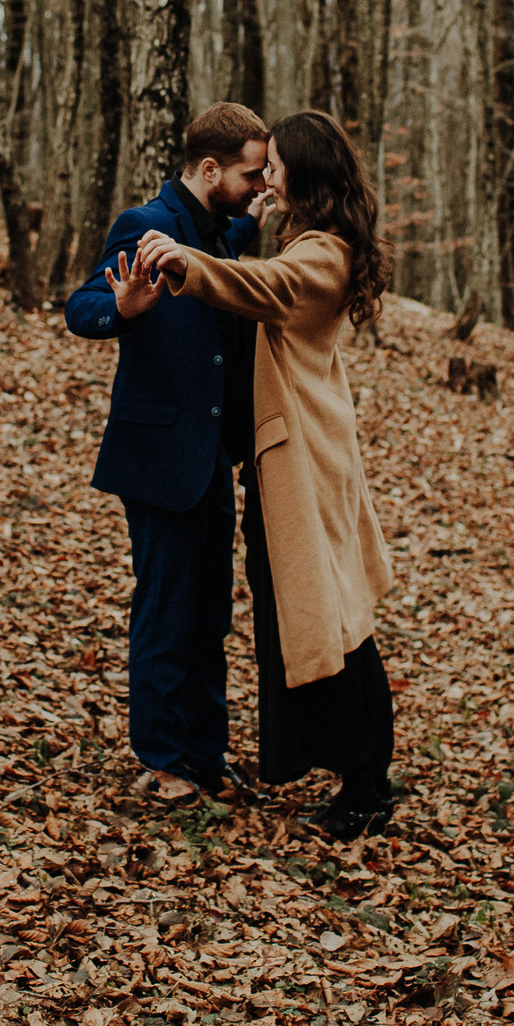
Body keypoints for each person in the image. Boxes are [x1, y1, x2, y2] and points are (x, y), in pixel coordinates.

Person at [133, 109, 399, 840]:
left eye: (275, 167)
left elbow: (266, 287)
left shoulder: (319, 255)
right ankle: (348, 770)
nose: (266, 180)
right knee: (312, 614)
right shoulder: (313, 239)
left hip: (306, 461)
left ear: (303, 175)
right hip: (294, 457)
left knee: (334, 620)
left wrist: (187, 262)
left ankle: (366, 783)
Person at [64, 103, 271, 805]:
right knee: (166, 609)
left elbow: (226, 238)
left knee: (210, 612)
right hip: (159, 454)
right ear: (210, 169)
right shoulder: (143, 225)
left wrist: (255, 215)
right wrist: (120, 309)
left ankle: (204, 754)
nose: (259, 184)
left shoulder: (220, 230)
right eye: (251, 174)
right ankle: (162, 759)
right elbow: (80, 306)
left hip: (212, 455)